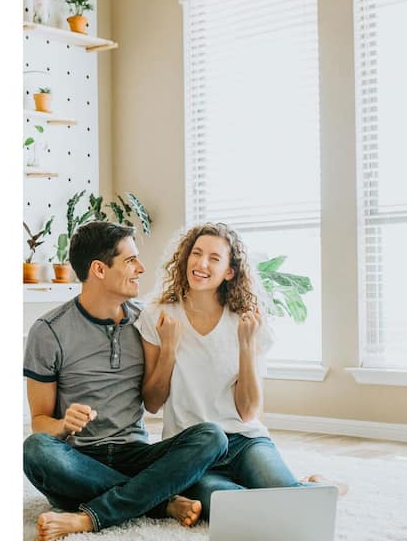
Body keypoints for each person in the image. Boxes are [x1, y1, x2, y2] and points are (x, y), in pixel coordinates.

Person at [23, 221, 228, 541]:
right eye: (130, 260)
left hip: (136, 455)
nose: (141, 268)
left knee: (213, 437)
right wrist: (64, 424)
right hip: (79, 462)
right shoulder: (48, 331)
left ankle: (91, 517)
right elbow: (39, 423)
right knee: (35, 450)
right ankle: (161, 501)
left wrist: (169, 350)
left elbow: (154, 403)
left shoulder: (146, 320)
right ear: (99, 270)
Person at [134, 222, 347, 520]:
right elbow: (153, 403)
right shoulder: (158, 315)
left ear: (230, 272)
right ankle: (309, 488)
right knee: (233, 508)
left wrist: (247, 345)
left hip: (244, 441)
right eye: (196, 253)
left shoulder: (246, 321)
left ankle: (320, 487)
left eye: (214, 258)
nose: (201, 264)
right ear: (184, 259)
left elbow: (248, 413)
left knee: (292, 501)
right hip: (192, 448)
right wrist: (169, 349)